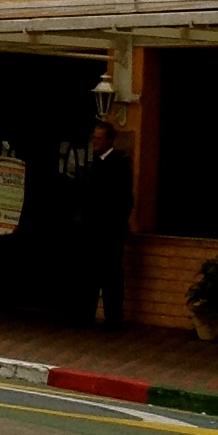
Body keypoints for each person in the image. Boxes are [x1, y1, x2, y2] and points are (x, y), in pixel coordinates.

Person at [76, 117, 134, 330]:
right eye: (94, 138)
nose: (95, 142)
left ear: (109, 140)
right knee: (89, 272)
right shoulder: (93, 163)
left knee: (111, 274)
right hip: (92, 228)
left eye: (99, 139)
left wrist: (116, 223)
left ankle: (113, 317)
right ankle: (85, 315)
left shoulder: (119, 164)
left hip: (110, 230)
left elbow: (124, 199)